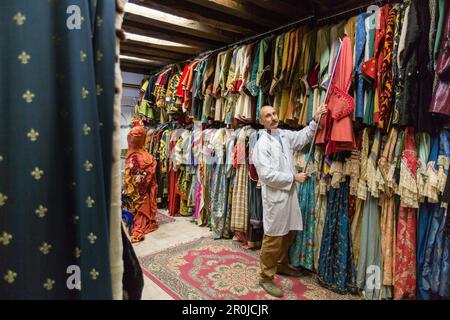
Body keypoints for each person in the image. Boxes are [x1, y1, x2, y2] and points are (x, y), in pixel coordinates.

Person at [252, 104, 328, 297]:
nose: (273, 117)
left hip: (289, 196)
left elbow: (302, 138)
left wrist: (315, 119)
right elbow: (266, 175)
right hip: (276, 198)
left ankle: (281, 264)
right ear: (262, 122)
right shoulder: (261, 145)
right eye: (267, 116)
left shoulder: (283, 135)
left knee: (289, 232)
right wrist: (293, 178)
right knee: (273, 238)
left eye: (274, 113)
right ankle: (265, 277)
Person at [122, 125, 159, 243]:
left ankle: (135, 219)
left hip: (136, 193)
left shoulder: (133, 156)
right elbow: (150, 181)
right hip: (142, 194)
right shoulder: (148, 157)